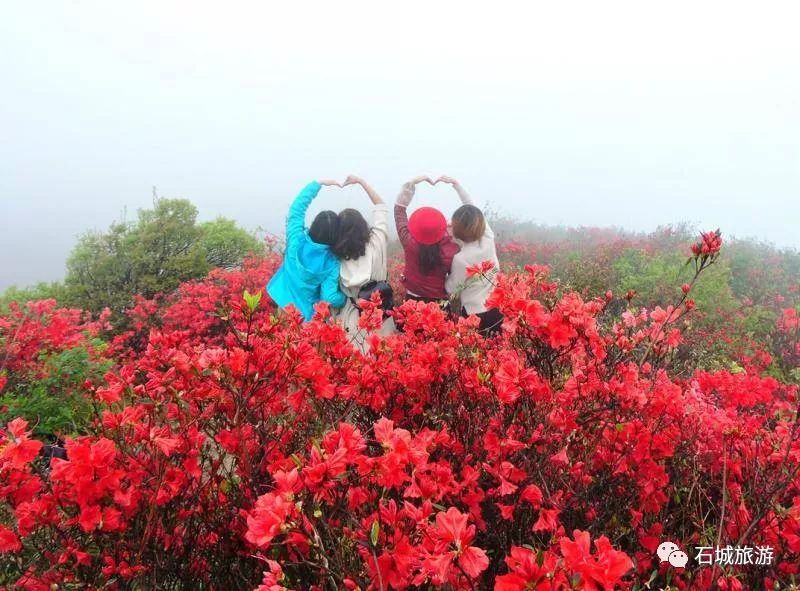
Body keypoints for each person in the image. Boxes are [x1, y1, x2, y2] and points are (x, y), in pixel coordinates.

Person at [266, 179, 347, 321]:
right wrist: (344, 297)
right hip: (304, 318)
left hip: (282, 305)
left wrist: (318, 184)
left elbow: (296, 210)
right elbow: (329, 297)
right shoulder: (332, 262)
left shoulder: (297, 240)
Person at [332, 175, 396, 352]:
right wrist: (362, 183)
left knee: (356, 363)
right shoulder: (377, 240)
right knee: (385, 359)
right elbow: (381, 207)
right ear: (362, 225)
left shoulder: (336, 255)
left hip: (352, 317)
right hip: (381, 313)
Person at [440, 176, 503, 336]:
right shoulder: (488, 238)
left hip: (475, 314)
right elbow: (474, 211)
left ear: (457, 231)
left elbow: (452, 288)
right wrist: (457, 185)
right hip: (497, 309)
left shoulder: (461, 259)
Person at [394, 175, 460, 306]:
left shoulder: (409, 242)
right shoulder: (452, 248)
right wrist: (456, 184)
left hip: (411, 303)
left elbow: (399, 211)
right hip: (439, 304)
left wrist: (412, 182)